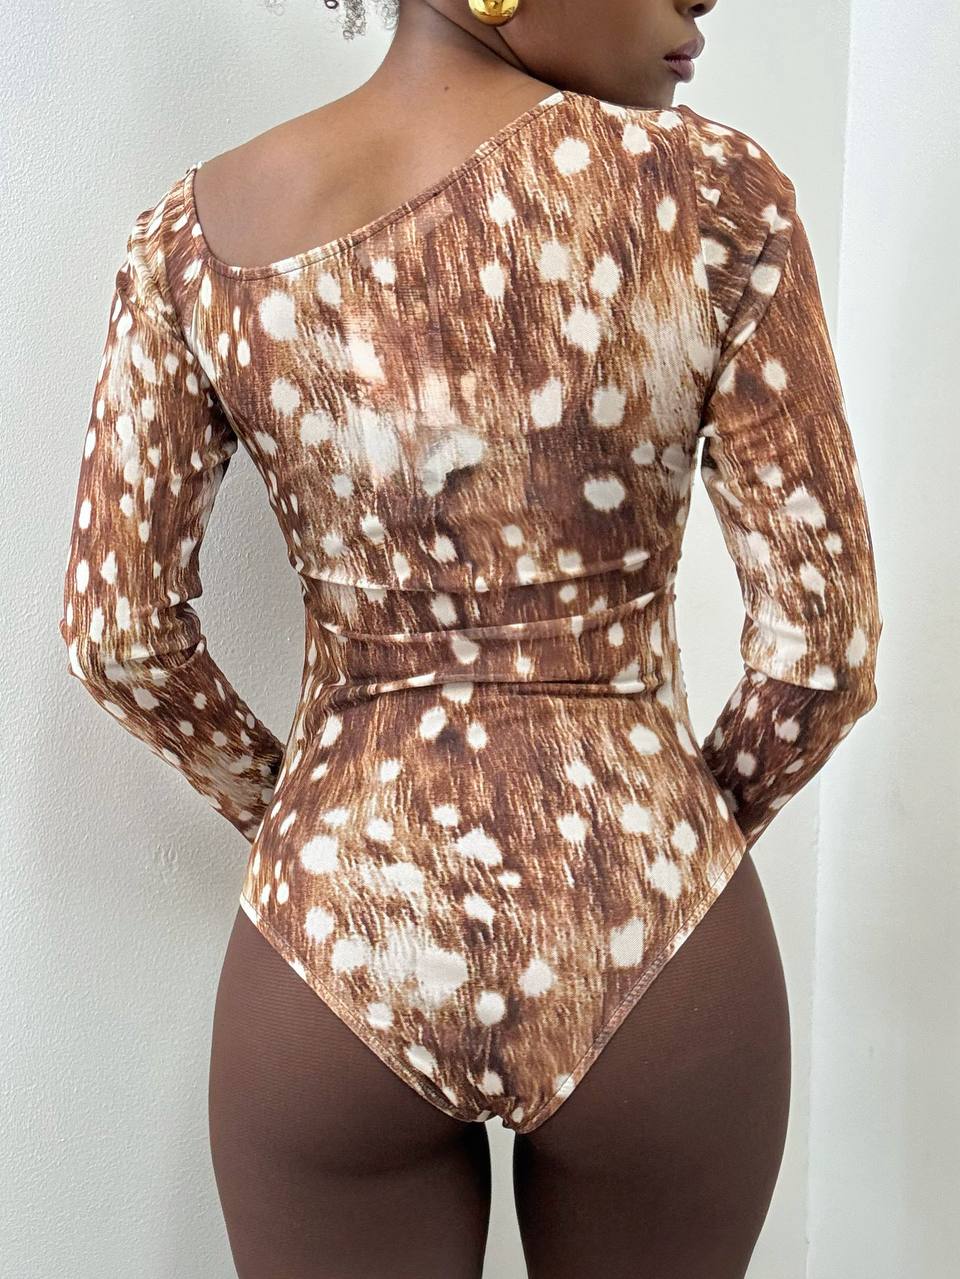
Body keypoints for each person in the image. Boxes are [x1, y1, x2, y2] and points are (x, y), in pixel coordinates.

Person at [58, 0, 882, 1274]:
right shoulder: (716, 194)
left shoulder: (187, 240)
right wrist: (668, 837)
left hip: (332, 939)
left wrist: (307, 820)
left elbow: (117, 635)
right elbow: (824, 651)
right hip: (656, 944)